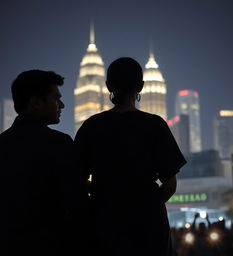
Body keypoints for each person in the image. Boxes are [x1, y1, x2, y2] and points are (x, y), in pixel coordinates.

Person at [74, 57, 187, 256]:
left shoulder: (91, 126)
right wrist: (147, 204)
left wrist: (101, 193)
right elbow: (170, 185)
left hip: (104, 224)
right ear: (141, 87)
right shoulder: (155, 125)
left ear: (108, 86)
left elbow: (75, 179)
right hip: (148, 228)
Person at [0, 70, 88, 256]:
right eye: (56, 98)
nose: (62, 105)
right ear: (36, 102)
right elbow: (77, 204)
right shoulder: (59, 143)